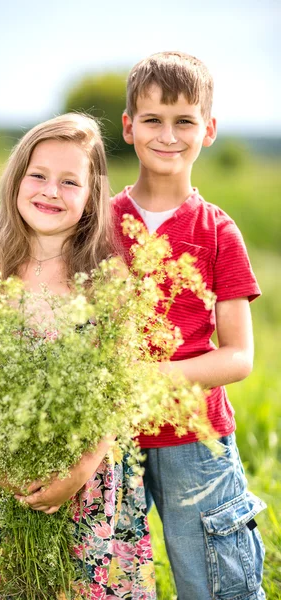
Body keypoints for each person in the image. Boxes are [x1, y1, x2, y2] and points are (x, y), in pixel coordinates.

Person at [0, 113, 156, 599]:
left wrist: (77, 470)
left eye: (69, 182)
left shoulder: (108, 281)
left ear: (91, 196)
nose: (50, 191)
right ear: (17, 180)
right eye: (38, 175)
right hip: (13, 480)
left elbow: (119, 388)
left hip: (91, 476)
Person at [112, 51, 267, 600]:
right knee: (106, 581)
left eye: (184, 121)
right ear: (129, 127)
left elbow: (238, 357)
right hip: (107, 438)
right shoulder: (99, 225)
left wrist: (150, 378)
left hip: (195, 441)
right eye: (152, 119)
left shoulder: (219, 231)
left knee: (216, 585)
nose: (168, 135)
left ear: (210, 129)